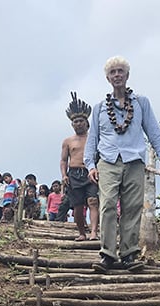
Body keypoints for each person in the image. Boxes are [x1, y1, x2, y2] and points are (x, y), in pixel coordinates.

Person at [84, 56, 160, 272]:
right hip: (108, 161)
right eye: (113, 72)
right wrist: (91, 164)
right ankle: (107, 254)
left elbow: (153, 131)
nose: (117, 75)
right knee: (107, 204)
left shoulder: (141, 103)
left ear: (127, 76)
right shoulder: (99, 107)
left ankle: (128, 254)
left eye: (120, 71)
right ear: (108, 78)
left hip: (135, 160)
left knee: (132, 206)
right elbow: (93, 139)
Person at [60, 92, 99, 241]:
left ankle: (94, 232)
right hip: (74, 174)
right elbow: (63, 160)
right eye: (75, 121)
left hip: (90, 172)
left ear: (87, 122)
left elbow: (100, 155)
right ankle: (82, 233)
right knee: (77, 206)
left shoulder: (94, 139)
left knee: (93, 201)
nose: (78, 123)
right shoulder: (68, 141)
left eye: (81, 120)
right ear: (72, 124)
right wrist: (64, 175)